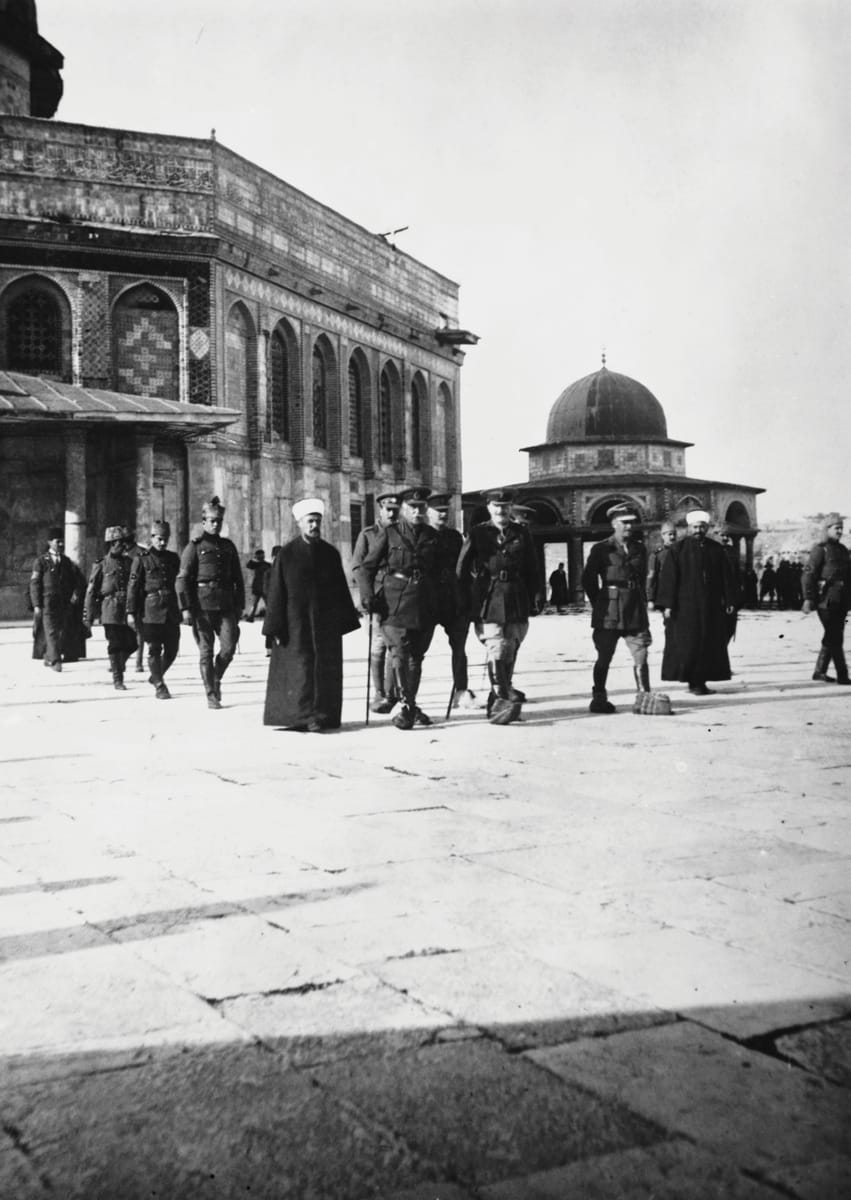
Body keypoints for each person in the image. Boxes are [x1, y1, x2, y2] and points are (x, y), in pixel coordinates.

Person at [262, 498, 361, 731]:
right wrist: (274, 628)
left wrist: (344, 621)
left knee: (324, 669)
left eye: (317, 521)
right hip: (295, 623)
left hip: (325, 624)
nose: (314, 526)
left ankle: (322, 715)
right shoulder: (286, 555)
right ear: (300, 523)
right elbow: (276, 593)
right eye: (310, 521)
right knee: (301, 669)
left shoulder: (330, 554)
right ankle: (301, 717)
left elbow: (340, 589)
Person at [355, 486, 440, 730]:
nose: (417, 512)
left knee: (416, 658)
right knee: (400, 654)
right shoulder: (390, 534)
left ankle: (408, 704)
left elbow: (440, 572)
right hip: (395, 602)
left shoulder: (432, 536)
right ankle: (406, 705)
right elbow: (365, 568)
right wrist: (368, 597)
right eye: (412, 508)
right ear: (403, 509)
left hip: (424, 603)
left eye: (421, 508)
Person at [457, 487, 540, 725]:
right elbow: (461, 570)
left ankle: (496, 702)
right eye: (496, 506)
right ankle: (504, 698)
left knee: (511, 648)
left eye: (505, 506)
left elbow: (532, 568)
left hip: (516, 596)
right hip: (488, 597)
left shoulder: (521, 533)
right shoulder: (478, 533)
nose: (501, 510)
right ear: (489, 508)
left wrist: (536, 595)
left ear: (510, 508)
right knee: (497, 648)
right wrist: (463, 599)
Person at [657, 508, 737, 695]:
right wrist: (667, 605)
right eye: (695, 527)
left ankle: (700, 681)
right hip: (685, 608)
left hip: (711, 607)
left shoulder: (716, 549)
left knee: (708, 644)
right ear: (688, 527)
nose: (698, 530)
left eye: (701, 527)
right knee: (689, 645)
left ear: (706, 528)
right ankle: (693, 681)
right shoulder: (677, 550)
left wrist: (730, 600)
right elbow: (669, 579)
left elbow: (726, 578)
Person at [581, 503, 651, 714]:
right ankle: (599, 698)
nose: (629, 526)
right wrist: (599, 603)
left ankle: (644, 697)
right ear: (614, 524)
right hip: (608, 611)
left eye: (632, 522)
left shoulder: (640, 548)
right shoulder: (601, 548)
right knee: (604, 655)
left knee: (641, 652)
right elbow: (588, 579)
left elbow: (642, 578)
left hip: (634, 608)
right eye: (624, 522)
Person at [176, 496, 245, 710]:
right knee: (206, 651)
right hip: (202, 606)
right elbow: (182, 579)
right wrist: (185, 608)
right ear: (204, 522)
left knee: (228, 648)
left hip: (225, 605)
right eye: (212, 521)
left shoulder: (228, 546)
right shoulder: (194, 547)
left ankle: (216, 678)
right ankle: (211, 694)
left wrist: (240, 606)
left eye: (219, 521)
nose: (216, 524)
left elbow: (238, 579)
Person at [351, 492, 401, 713]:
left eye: (396, 509)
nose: (392, 513)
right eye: (388, 509)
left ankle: (391, 692)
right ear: (380, 509)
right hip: (377, 597)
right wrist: (366, 596)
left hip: (399, 596)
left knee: (395, 645)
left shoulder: (402, 533)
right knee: (379, 645)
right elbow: (358, 567)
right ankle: (379, 692)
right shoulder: (368, 534)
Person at [428, 493, 476, 709]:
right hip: (427, 601)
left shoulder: (455, 537)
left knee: (459, 648)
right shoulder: (422, 535)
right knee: (415, 651)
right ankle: (406, 697)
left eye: (446, 511)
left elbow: (464, 569)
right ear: (429, 512)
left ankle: (461, 690)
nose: (443, 515)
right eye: (439, 511)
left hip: (453, 601)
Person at [127, 519, 181, 699]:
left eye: (165, 538)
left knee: (172, 650)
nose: (163, 542)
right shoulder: (141, 560)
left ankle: (155, 674)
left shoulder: (173, 558)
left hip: (171, 610)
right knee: (154, 649)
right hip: (150, 610)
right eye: (159, 538)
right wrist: (131, 612)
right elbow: (133, 587)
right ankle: (159, 684)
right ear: (152, 538)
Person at [83, 525, 138, 691]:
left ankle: (118, 665)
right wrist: (88, 616)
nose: (122, 545)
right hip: (110, 609)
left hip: (126, 609)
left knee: (132, 644)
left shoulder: (130, 562)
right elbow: (91, 591)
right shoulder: (101, 564)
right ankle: (118, 679)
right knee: (115, 644)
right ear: (111, 544)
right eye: (118, 542)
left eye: (123, 542)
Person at [801, 512, 850, 685]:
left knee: (833, 636)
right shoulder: (820, 550)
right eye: (837, 528)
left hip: (842, 600)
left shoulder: (844, 550)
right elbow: (808, 575)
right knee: (835, 636)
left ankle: (819, 671)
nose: (840, 532)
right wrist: (808, 598)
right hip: (825, 601)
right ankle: (843, 675)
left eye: (841, 528)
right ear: (827, 529)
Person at [29, 527, 82, 672]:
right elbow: (34, 584)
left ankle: (48, 655)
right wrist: (37, 605)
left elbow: (76, 581)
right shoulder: (40, 562)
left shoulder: (66, 562)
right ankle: (56, 660)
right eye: (58, 541)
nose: (61, 544)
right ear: (49, 542)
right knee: (51, 631)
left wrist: (74, 595)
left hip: (64, 603)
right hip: (47, 603)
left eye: (62, 542)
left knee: (60, 632)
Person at [646, 520, 677, 609]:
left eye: (674, 534)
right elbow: (651, 577)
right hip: (664, 594)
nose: (672, 537)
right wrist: (650, 598)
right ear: (663, 535)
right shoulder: (657, 555)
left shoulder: (681, 552)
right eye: (670, 534)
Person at [245, 549, 271, 621]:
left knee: (263, 603)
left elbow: (249, 565)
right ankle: (252, 617)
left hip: (261, 587)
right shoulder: (259, 564)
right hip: (260, 587)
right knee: (260, 603)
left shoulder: (265, 565)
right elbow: (248, 565)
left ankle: (252, 617)